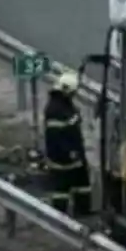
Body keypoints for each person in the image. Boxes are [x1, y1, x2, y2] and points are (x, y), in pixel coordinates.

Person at [44, 72, 93, 217]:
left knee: (80, 185)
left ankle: (80, 212)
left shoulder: (62, 104)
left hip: (69, 156)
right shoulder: (56, 110)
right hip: (65, 158)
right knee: (63, 188)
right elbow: (56, 136)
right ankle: (64, 215)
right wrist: (71, 153)